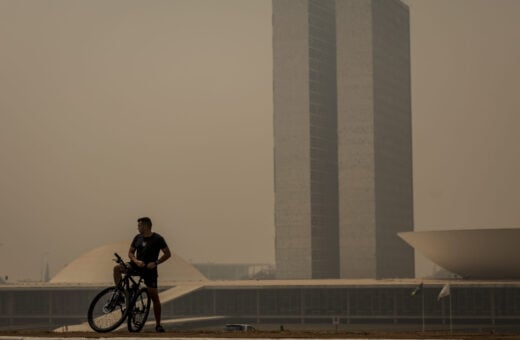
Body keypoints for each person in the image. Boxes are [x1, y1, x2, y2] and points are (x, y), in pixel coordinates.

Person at [113, 217, 171, 333]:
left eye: (139, 225)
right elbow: (130, 253)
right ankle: (121, 293)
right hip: (136, 265)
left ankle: (158, 325)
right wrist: (136, 261)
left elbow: (167, 254)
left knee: (154, 297)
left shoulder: (158, 239)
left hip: (150, 270)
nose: (138, 227)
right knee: (117, 268)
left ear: (146, 226)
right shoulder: (137, 237)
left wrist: (155, 263)